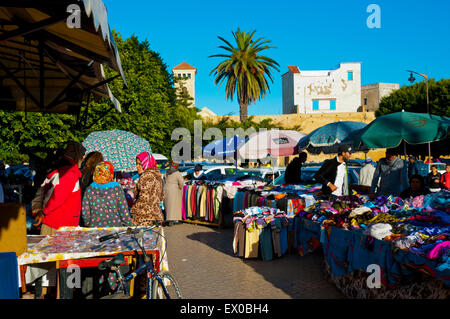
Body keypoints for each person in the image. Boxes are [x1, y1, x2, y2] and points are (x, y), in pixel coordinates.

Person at [33, 141, 86, 236]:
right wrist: (43, 213)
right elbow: (58, 197)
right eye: (82, 155)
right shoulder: (70, 173)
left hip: (53, 220)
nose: (83, 158)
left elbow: (41, 191)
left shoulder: (58, 169)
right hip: (60, 223)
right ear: (76, 155)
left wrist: (40, 211)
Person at [82, 161, 133, 227]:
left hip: (95, 227)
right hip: (114, 227)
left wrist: (88, 223)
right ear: (111, 173)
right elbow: (123, 210)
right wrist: (128, 225)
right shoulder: (116, 189)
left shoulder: (89, 189)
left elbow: (85, 212)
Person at [131, 152, 164, 226]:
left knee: (144, 237)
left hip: (144, 217)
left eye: (140, 164)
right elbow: (161, 197)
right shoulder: (157, 175)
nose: (137, 166)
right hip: (156, 215)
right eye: (136, 164)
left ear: (146, 163)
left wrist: (133, 210)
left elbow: (143, 199)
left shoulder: (146, 176)